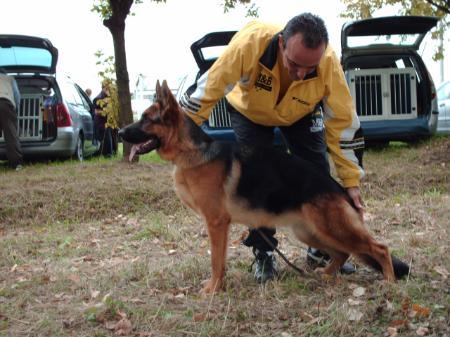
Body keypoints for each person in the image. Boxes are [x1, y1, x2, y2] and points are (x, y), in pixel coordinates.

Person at [180, 13, 365, 283]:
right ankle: (263, 253)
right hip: (250, 112)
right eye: (294, 63)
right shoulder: (249, 43)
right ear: (281, 43)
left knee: (316, 172)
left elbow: (344, 122)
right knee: (255, 182)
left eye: (309, 68)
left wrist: (351, 181)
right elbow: (208, 88)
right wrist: (177, 135)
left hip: (301, 112)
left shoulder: (327, 63)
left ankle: (321, 249)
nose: (301, 73)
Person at [0, 68, 23, 171]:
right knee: (10, 134)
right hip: (6, 103)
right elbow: (17, 96)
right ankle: (16, 164)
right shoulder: (10, 78)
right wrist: (15, 111)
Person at [93, 81, 114, 156]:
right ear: (103, 88)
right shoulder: (98, 98)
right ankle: (106, 154)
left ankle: (109, 153)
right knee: (103, 139)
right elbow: (96, 112)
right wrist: (106, 111)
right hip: (100, 122)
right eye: (107, 88)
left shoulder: (109, 97)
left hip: (107, 122)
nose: (108, 90)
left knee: (108, 138)